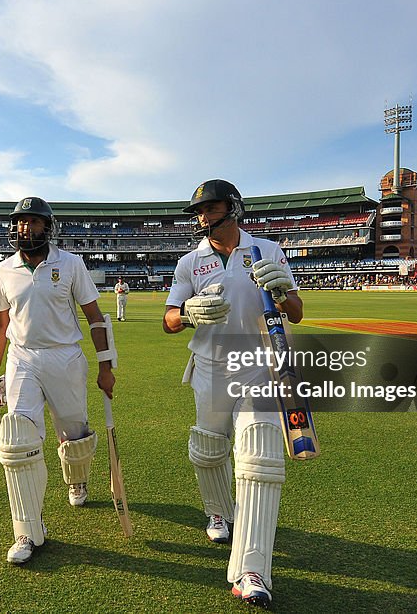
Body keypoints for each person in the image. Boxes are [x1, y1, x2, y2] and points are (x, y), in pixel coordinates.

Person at [163, 179, 303, 608]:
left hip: (260, 362)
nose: (204, 216)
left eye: (211, 207)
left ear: (233, 207)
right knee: (209, 448)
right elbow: (167, 319)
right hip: (209, 365)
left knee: (260, 453)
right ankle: (219, 511)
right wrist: (186, 313)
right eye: (199, 211)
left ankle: (252, 570)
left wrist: (282, 291)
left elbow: (296, 312)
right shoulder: (190, 262)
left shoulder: (268, 250)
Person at [0, 196, 117, 565]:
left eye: (32, 222)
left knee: (74, 433)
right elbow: (0, 322)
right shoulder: (4, 269)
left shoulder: (70, 263)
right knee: (17, 436)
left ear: (47, 226)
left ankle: (77, 479)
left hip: (65, 356)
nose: (25, 228)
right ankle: (26, 529)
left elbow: (95, 315)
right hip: (22, 358)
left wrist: (106, 366)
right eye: (20, 222)